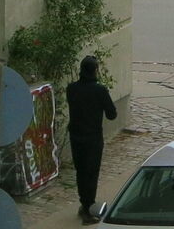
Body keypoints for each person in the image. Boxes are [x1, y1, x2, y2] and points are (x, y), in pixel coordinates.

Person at [65, 54, 118, 224]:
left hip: (76, 136)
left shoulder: (71, 88)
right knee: (91, 172)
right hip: (92, 137)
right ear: (95, 71)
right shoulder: (99, 90)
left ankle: (84, 203)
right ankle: (89, 208)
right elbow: (112, 114)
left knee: (81, 171)